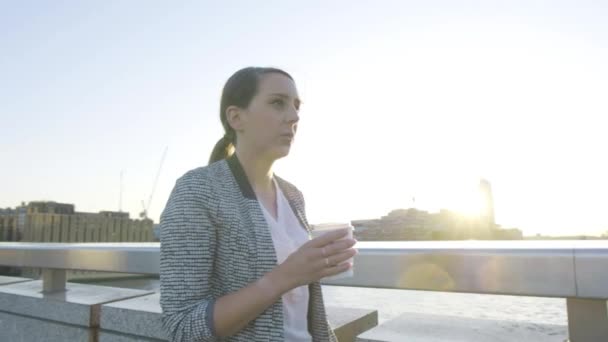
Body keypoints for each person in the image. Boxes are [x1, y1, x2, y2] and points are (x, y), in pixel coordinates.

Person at [159, 66, 358, 341]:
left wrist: (318, 266)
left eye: (296, 105)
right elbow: (182, 325)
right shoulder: (197, 190)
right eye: (278, 103)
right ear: (236, 117)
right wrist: (287, 276)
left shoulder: (293, 195)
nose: (294, 116)